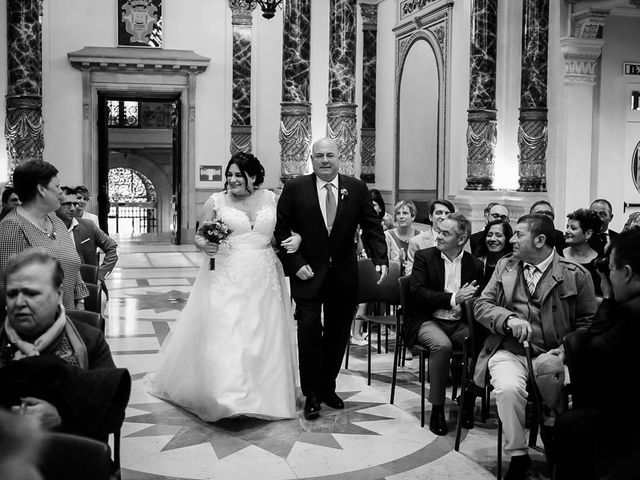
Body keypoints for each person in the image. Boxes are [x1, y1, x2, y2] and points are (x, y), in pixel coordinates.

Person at [146, 152, 301, 422]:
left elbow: (287, 231)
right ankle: (229, 399)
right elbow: (199, 236)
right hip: (226, 274)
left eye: (238, 175)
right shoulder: (216, 201)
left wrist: (296, 238)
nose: (231, 180)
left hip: (265, 273)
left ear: (253, 176)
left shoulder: (272, 199)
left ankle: (265, 394)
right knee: (229, 332)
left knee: (263, 334)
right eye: (229, 175)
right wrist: (205, 245)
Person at [472, 214, 597, 480]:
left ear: (540, 240)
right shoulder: (505, 266)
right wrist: (508, 319)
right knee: (507, 388)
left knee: (560, 385)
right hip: (510, 351)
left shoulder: (576, 274)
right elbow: (481, 306)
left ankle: (556, 439)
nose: (512, 239)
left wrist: (564, 351)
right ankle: (518, 455)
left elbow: (589, 324)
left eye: (519, 234)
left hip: (554, 353)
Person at [275, 137, 388, 421]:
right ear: (311, 159)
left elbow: (371, 227)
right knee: (309, 333)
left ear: (340, 158)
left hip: (343, 275)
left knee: (337, 336)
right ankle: (311, 394)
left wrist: (380, 258)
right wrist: (295, 264)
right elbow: (281, 231)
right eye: (319, 156)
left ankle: (328, 387)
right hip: (308, 275)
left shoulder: (357, 188)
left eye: (330, 155)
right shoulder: (295, 188)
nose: (325, 160)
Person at [0, 249, 127, 442]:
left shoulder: (89, 341)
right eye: (12, 294)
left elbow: (111, 417)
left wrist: (61, 418)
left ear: (58, 295)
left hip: (70, 461)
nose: (19, 302)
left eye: (31, 293)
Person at [554, 229, 640, 480]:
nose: (608, 276)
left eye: (611, 270)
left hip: (630, 417)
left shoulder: (633, 312)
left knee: (571, 424)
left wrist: (609, 299)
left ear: (626, 272)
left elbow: (593, 355)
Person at [405, 213, 483, 435]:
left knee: (480, 341)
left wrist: (465, 305)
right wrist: (453, 299)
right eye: (438, 231)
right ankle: (437, 407)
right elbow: (417, 293)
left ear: (461, 239)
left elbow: (479, 299)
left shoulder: (474, 264)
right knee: (442, 346)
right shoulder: (424, 257)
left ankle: (468, 399)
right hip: (428, 320)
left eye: (445, 233)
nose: (437, 236)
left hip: (459, 322)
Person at [0, 161, 88, 311]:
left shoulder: (54, 219)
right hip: (36, 324)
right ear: (41, 189)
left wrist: (80, 302)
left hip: (67, 315)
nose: (61, 191)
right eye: (57, 186)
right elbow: (6, 287)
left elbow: (72, 262)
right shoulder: (12, 226)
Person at [55, 186, 118, 305]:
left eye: (75, 203)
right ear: (56, 204)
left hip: (87, 284)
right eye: (67, 204)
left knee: (101, 302)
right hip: (58, 287)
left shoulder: (88, 226)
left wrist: (100, 276)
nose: (73, 208)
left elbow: (112, 248)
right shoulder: (46, 227)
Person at [406, 198, 456, 275]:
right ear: (430, 217)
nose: (443, 217)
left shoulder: (459, 240)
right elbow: (410, 274)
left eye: (447, 213)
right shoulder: (416, 242)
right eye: (439, 213)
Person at [563, 208, 603, 296]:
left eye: (573, 228)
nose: (567, 231)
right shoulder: (558, 255)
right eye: (567, 227)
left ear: (588, 233)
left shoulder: (598, 262)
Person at [384, 199, 420, 274]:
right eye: (398, 213)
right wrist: (397, 262)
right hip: (393, 279)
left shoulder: (420, 236)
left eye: (405, 213)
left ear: (413, 217)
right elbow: (385, 266)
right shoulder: (387, 236)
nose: (401, 217)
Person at [475, 219, 513, 285]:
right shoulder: (476, 263)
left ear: (507, 239)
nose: (493, 239)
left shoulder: (514, 266)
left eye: (498, 235)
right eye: (489, 235)